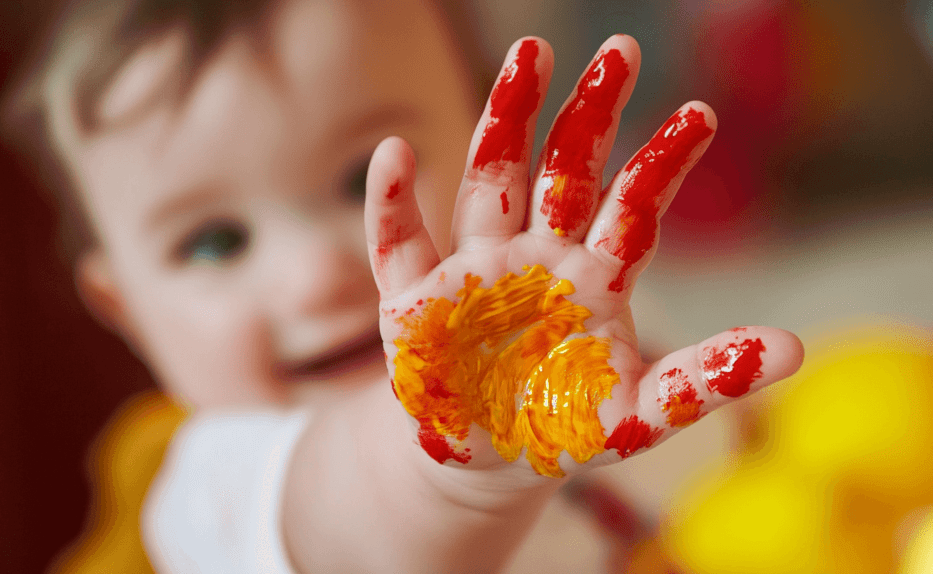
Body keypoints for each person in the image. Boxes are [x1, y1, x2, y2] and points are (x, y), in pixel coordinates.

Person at [3, 0, 804, 571]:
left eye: (363, 176)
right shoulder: (209, 487)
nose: (316, 272)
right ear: (126, 312)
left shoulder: (573, 366)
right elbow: (356, 519)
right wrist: (449, 464)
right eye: (214, 242)